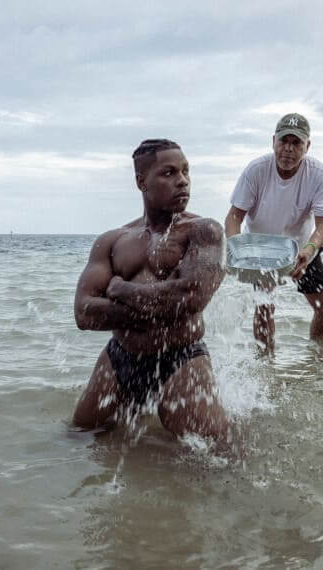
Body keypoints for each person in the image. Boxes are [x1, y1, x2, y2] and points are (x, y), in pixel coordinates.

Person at [72, 139, 229, 445]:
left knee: (217, 455)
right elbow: (83, 312)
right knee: (79, 437)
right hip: (120, 358)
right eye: (168, 173)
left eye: (185, 171)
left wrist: (121, 289)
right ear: (141, 181)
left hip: (182, 358)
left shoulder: (204, 231)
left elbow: (191, 298)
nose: (182, 180)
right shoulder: (113, 240)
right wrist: (155, 309)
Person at [225, 113, 323, 354]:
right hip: (261, 249)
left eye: (296, 143)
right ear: (273, 141)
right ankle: (266, 366)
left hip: (302, 248)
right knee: (264, 308)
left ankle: (317, 363)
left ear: (307, 146)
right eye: (283, 141)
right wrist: (236, 247)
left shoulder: (319, 174)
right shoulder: (256, 170)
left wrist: (309, 250)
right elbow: (234, 217)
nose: (288, 149)